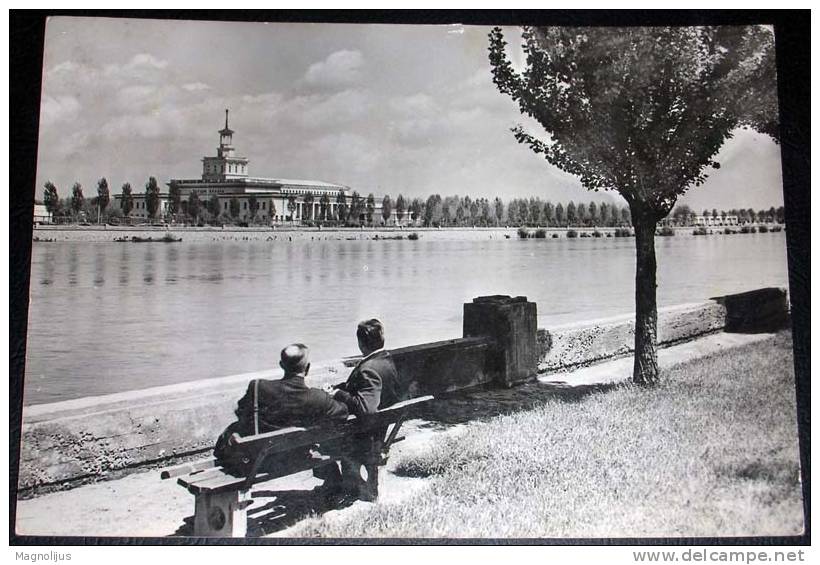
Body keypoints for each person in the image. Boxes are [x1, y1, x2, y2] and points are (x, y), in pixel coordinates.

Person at [214, 343, 348, 466]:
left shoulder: (258, 387)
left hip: (258, 460)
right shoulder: (316, 397)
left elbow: (240, 412)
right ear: (307, 368)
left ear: (281, 365)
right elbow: (342, 413)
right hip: (296, 458)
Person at [314, 319, 403, 501]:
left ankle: (337, 483)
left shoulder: (368, 369)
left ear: (361, 344)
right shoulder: (385, 360)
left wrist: (338, 393)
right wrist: (343, 387)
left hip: (364, 436)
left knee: (316, 438)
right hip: (380, 430)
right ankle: (354, 484)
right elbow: (369, 389)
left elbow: (366, 408)